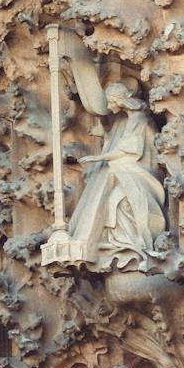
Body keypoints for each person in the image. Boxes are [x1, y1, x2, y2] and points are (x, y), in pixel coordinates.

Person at [66, 82, 166, 274]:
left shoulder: (138, 118)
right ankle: (119, 245)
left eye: (111, 102)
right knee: (112, 200)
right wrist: (103, 135)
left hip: (139, 171)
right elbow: (119, 143)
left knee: (120, 201)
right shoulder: (124, 120)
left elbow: (131, 149)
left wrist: (98, 157)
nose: (109, 107)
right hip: (127, 169)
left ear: (120, 100)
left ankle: (135, 246)